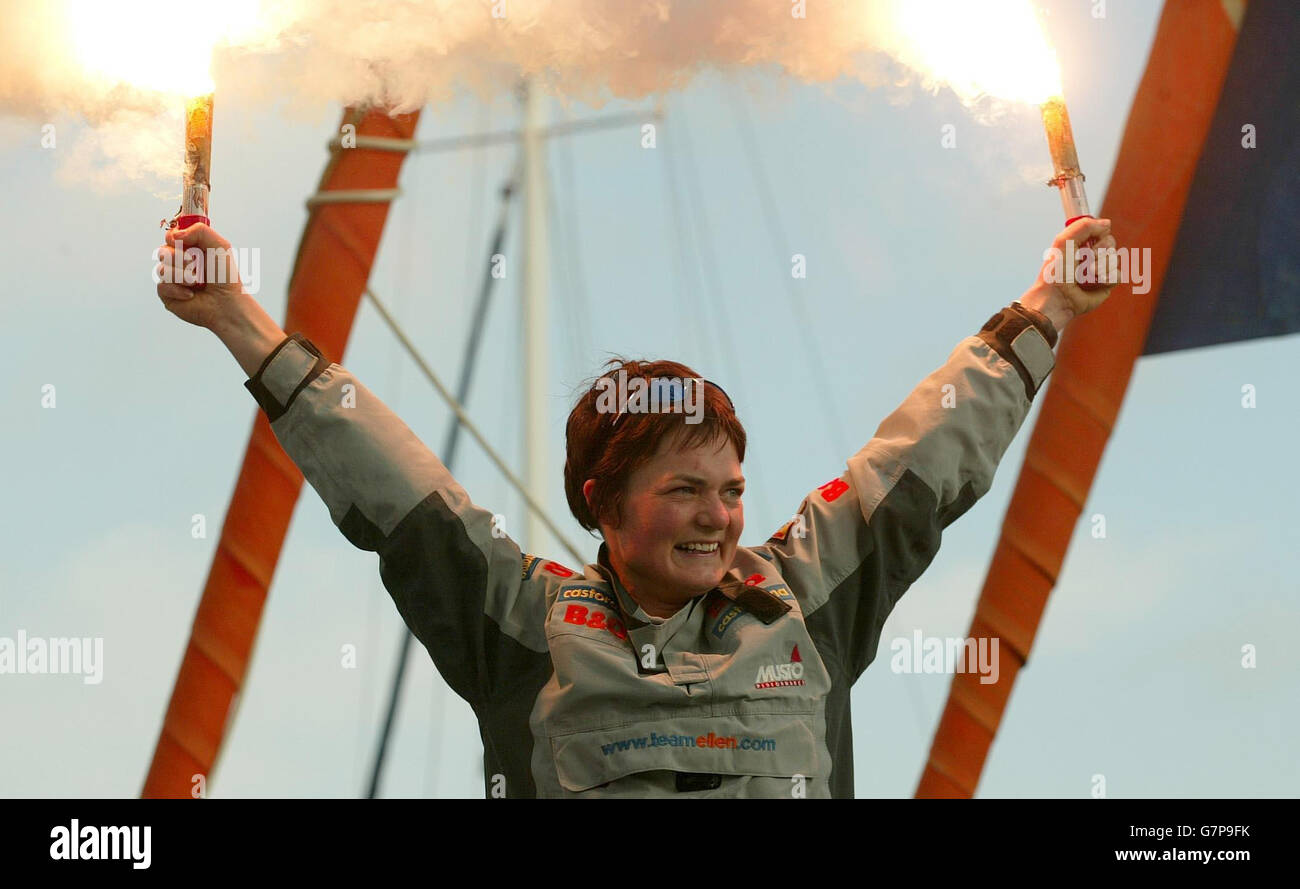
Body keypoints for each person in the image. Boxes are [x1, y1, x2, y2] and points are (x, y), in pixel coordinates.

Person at [155, 216, 1119, 798]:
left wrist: (1052, 303)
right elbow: (398, 486)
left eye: (732, 490)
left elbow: (922, 457)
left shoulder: (809, 595)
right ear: (602, 505)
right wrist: (237, 318)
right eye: (685, 490)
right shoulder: (523, 627)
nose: (719, 516)